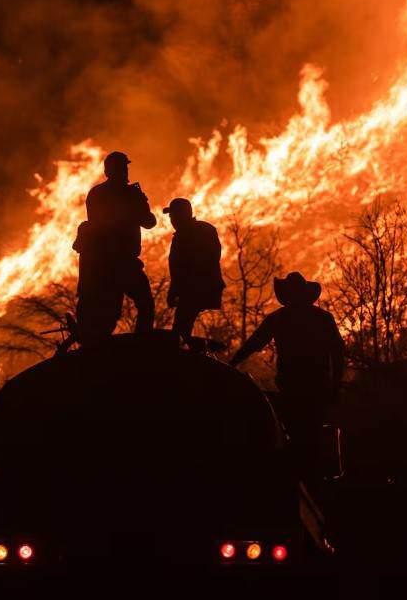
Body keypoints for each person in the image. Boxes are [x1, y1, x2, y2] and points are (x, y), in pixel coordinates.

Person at [229, 272, 345, 474]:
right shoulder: (323, 318)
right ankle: (311, 479)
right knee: (312, 437)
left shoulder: (279, 319)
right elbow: (338, 353)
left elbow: (253, 343)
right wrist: (335, 385)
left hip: (293, 388)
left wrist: (232, 364)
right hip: (316, 389)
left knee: (295, 436)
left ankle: (301, 479)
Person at [74, 151, 157, 342]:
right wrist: (139, 204)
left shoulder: (97, 194)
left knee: (111, 314)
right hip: (121, 262)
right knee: (144, 303)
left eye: (125, 167)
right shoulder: (129, 194)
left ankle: (100, 347)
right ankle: (141, 343)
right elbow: (149, 222)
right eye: (123, 167)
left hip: (103, 264)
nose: (126, 171)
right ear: (113, 170)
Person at [163, 197, 224, 342]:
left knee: (179, 331)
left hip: (194, 290)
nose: (171, 220)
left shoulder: (186, 235)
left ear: (181, 214)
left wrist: (175, 290)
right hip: (199, 289)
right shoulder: (205, 229)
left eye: (173, 215)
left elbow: (183, 268)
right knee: (182, 328)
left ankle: (195, 352)